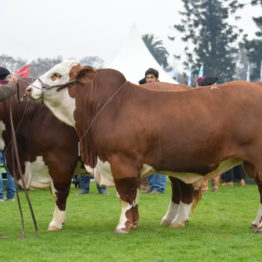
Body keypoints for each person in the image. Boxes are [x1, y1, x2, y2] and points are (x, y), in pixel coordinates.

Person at [140, 68, 167, 194]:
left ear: (156, 78)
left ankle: (159, 187)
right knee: (150, 159)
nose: (149, 79)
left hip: (161, 128)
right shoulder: (145, 91)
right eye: (147, 77)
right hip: (148, 129)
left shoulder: (162, 90)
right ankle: (152, 186)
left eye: (151, 77)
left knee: (160, 159)